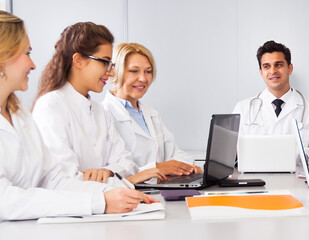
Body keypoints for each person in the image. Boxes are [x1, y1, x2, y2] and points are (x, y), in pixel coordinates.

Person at [0, 10, 156, 220]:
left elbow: (55, 179)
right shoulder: (50, 106)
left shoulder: (20, 116)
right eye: (27, 53)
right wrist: (101, 200)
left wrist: (117, 192)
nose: (33, 64)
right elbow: (6, 200)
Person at [31, 22, 162, 184]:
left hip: (106, 203)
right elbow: (65, 180)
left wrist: (106, 171)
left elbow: (127, 163)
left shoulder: (100, 112)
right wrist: (126, 180)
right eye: (105, 62)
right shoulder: (50, 107)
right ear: (79, 60)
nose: (112, 72)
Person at [102, 42, 201, 182]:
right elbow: (109, 172)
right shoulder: (104, 114)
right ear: (115, 71)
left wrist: (186, 167)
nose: (143, 78)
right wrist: (155, 168)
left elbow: (174, 153)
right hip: (128, 195)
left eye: (148, 71)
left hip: (159, 189)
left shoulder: (150, 113)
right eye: (134, 71)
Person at [233, 40, 309, 148]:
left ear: (289, 69)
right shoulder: (242, 108)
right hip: (255, 166)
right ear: (261, 72)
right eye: (267, 66)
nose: (273, 71)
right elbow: (231, 153)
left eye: (278, 65)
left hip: (297, 166)